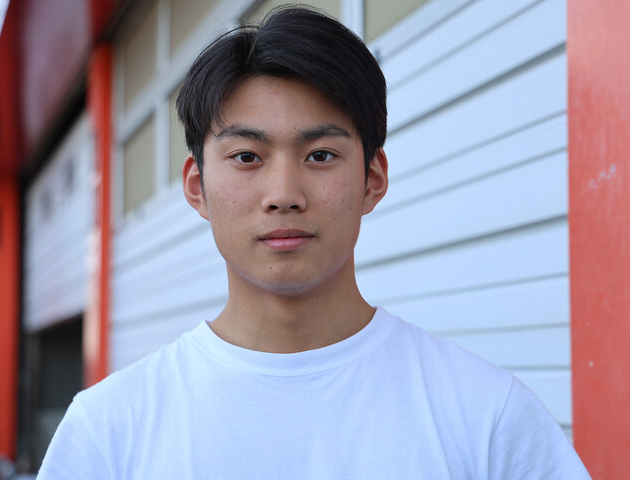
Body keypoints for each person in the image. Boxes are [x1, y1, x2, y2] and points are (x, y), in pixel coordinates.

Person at [38, 6, 590, 478]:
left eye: (320, 155)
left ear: (373, 179)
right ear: (196, 186)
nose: (284, 194)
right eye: (247, 157)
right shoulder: (107, 431)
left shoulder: (489, 418)